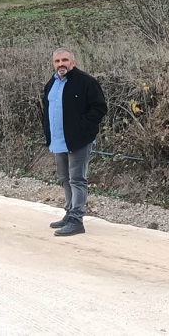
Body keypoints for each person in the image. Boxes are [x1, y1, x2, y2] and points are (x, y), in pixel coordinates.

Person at [42, 48, 107, 236]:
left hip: (78, 141)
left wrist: (82, 129)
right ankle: (69, 213)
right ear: (53, 64)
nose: (60, 64)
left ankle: (77, 220)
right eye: (57, 61)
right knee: (65, 179)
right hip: (58, 141)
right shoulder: (51, 84)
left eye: (64, 60)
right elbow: (46, 111)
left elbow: (99, 108)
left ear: (73, 62)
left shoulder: (86, 82)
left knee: (77, 180)